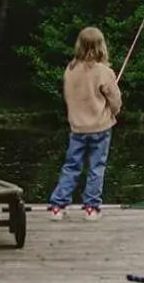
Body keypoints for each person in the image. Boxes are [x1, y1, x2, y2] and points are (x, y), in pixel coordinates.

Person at [48, 26, 122, 219]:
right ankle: (91, 207)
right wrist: (112, 112)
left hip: (77, 128)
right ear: (101, 47)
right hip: (101, 128)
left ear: (79, 45)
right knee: (97, 167)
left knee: (72, 166)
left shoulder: (70, 70)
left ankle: (57, 206)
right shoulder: (104, 71)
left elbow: (68, 96)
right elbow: (116, 100)